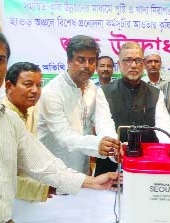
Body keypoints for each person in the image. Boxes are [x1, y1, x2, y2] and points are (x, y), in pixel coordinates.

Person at [0, 27, 118, 222]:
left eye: (0, 60)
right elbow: (64, 137)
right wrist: (97, 148)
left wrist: (93, 182)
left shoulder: (9, 120)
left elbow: (45, 166)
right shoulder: (52, 93)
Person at [38, 35, 119, 175]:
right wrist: (96, 145)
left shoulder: (93, 89)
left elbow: (103, 121)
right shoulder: (51, 93)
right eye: (81, 60)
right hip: (52, 171)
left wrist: (112, 147)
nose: (87, 65)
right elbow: (64, 136)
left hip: (82, 169)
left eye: (91, 60)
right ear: (69, 61)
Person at [95, 42, 170, 175]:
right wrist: (114, 151)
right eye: (128, 60)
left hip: (148, 163)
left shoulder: (156, 93)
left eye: (138, 60)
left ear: (143, 64)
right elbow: (104, 126)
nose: (133, 65)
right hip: (112, 164)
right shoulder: (104, 92)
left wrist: (166, 154)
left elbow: (165, 129)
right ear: (119, 64)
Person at [4, 62, 54, 202]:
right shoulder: (1, 117)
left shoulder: (31, 110)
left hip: (26, 195)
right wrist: (44, 189)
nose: (35, 90)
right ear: (9, 86)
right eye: (28, 84)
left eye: (38, 85)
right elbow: (0, 177)